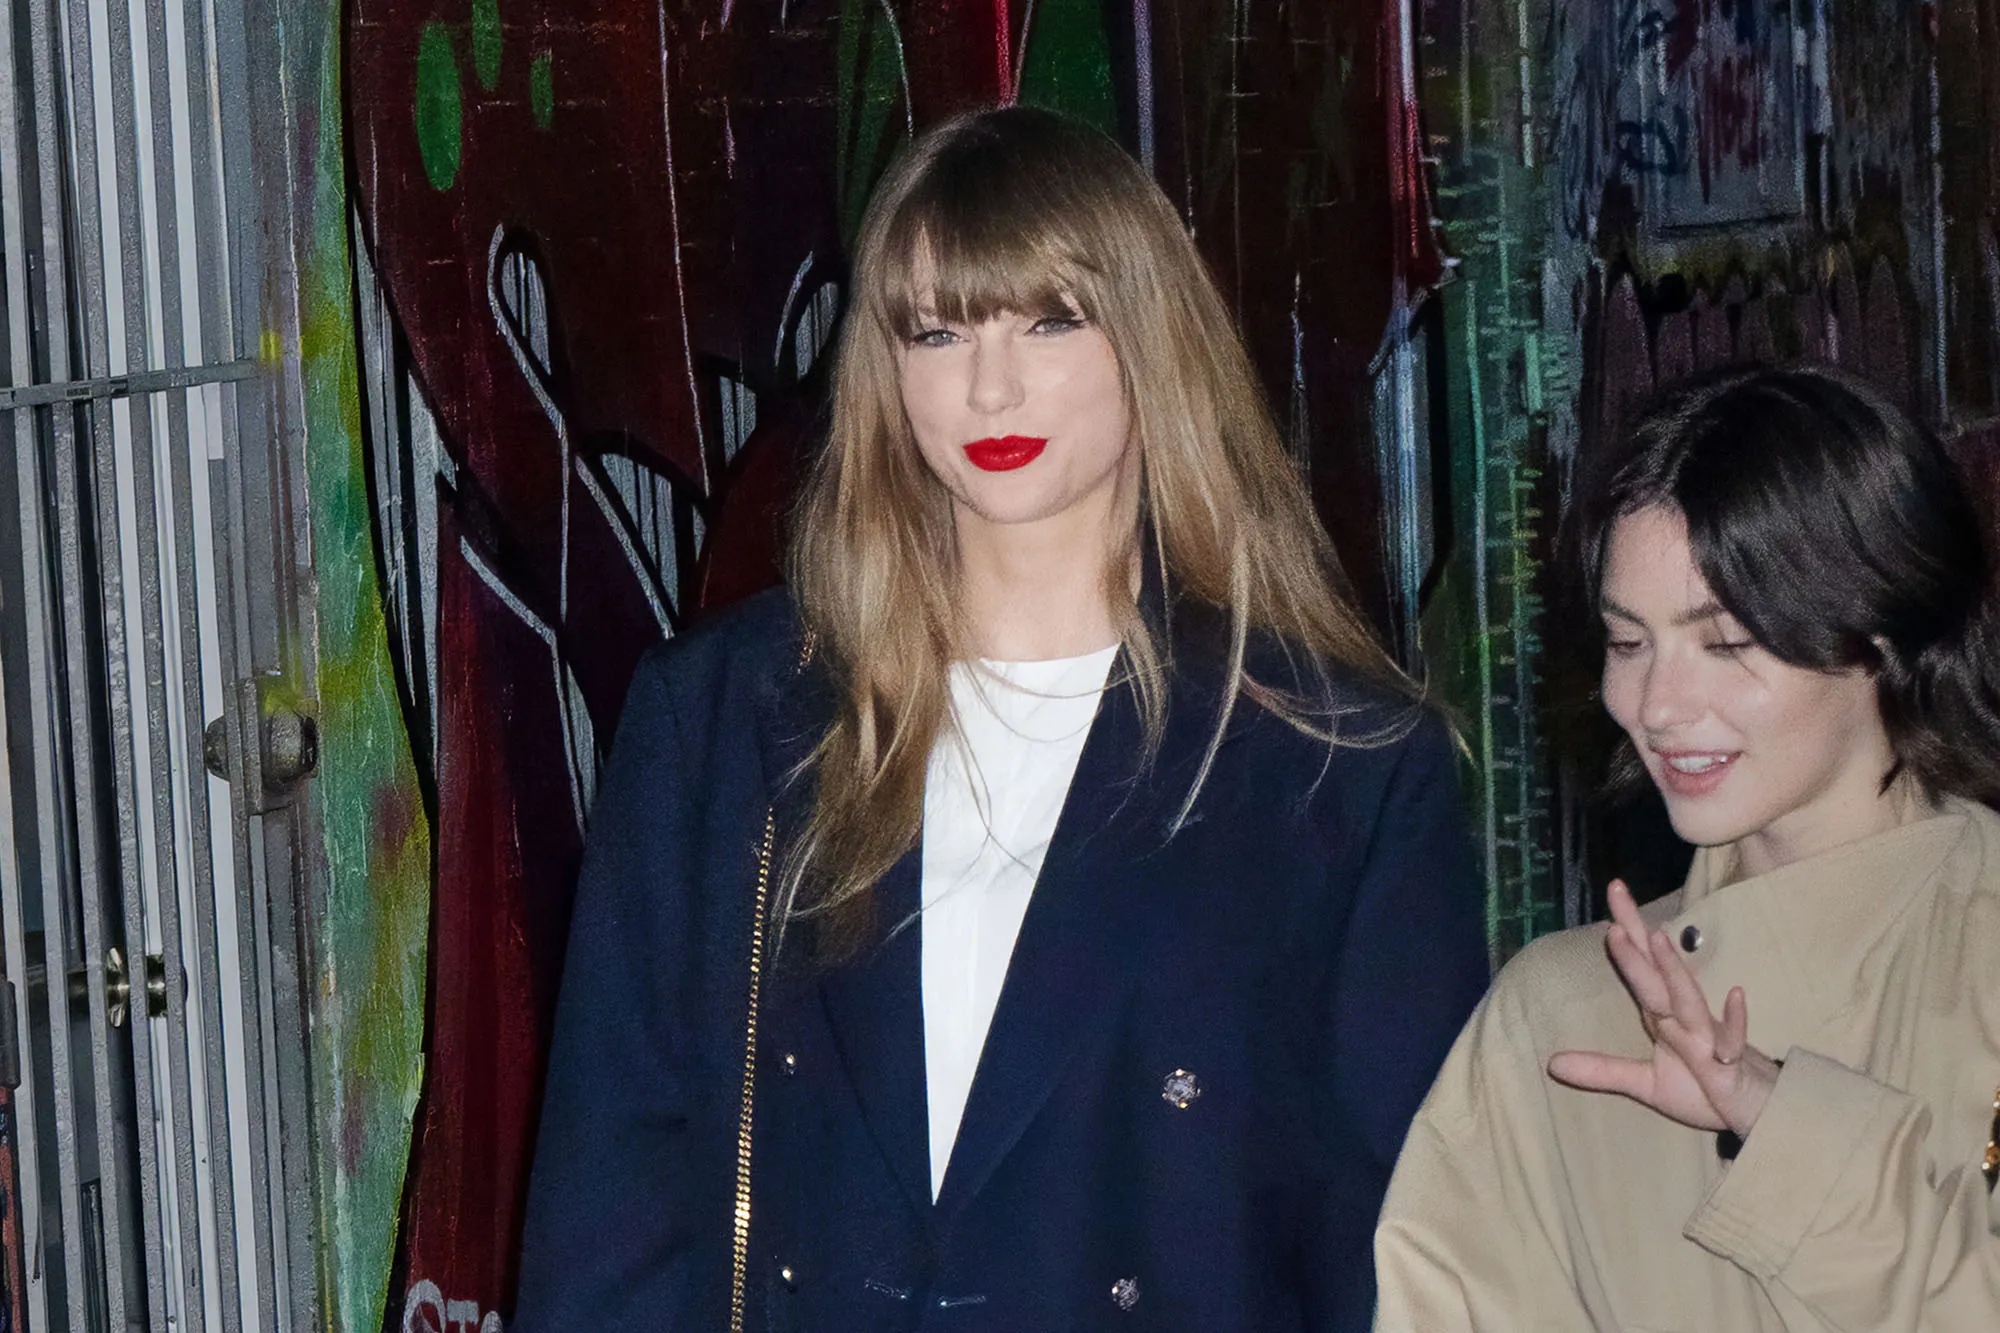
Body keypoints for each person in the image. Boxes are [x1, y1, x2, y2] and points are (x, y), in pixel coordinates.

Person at [510, 106, 1487, 1331]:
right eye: (936, 331)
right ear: (885, 366)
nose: (988, 384)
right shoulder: (726, 714)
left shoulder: (1331, 764)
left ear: (1147, 340)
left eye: (1050, 319)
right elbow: (613, 1193)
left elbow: (1393, 1242)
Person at [1373, 365, 2000, 1331]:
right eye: (1629, 646)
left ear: (1879, 630)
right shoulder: (1561, 1016)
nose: (1657, 707)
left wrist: (1783, 1126)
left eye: (1726, 643)